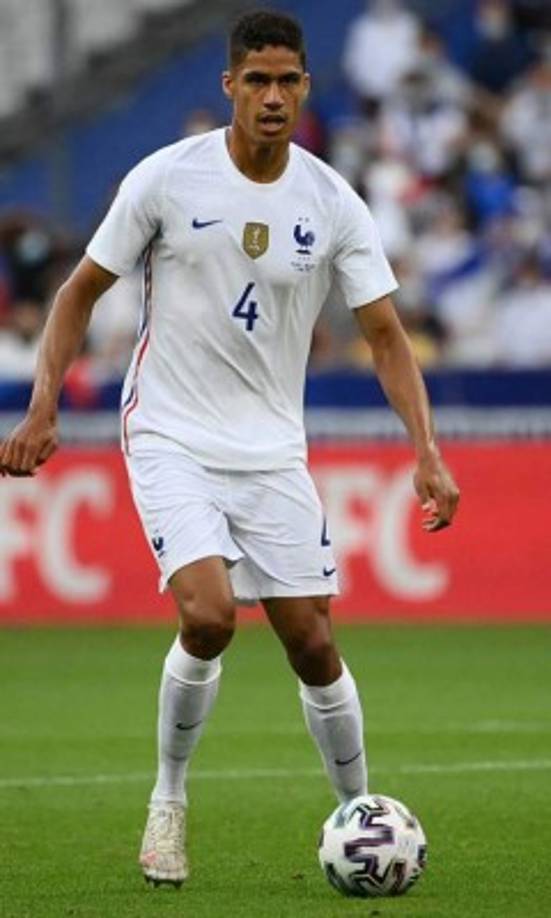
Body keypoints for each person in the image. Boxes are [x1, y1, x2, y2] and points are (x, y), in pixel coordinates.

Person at [0, 9, 460, 889]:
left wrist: (427, 451)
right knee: (209, 616)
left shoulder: (330, 201)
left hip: (271, 450)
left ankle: (356, 814)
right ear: (229, 87)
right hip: (170, 430)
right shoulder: (166, 179)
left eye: (289, 80)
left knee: (311, 642)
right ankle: (168, 801)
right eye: (258, 80)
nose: (274, 96)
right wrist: (43, 407)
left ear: (306, 88)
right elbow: (76, 292)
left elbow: (388, 337)